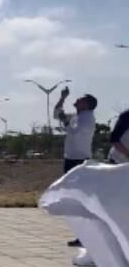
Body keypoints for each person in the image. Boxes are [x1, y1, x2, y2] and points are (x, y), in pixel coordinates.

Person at [53, 86, 97, 248]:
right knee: (74, 199)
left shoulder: (87, 119)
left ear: (86, 104)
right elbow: (57, 114)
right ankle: (82, 235)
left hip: (79, 161)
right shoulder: (78, 116)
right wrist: (62, 99)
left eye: (80, 99)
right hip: (71, 159)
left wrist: (65, 119)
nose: (76, 100)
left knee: (80, 199)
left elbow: (75, 132)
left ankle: (87, 235)